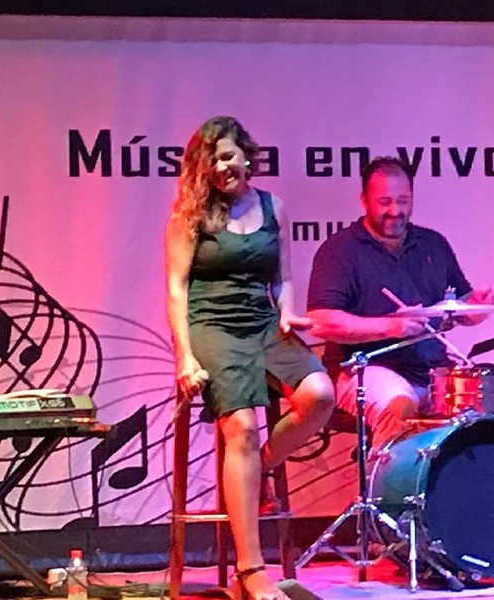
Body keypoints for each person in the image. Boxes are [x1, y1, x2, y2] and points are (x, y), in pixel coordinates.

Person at [165, 116, 335, 600]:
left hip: (262, 323)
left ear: (246, 155)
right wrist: (185, 358)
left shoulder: (272, 207)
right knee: (241, 428)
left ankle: (256, 471)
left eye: (228, 156)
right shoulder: (190, 216)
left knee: (320, 395)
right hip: (212, 325)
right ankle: (251, 569)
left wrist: (287, 312)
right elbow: (177, 289)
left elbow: (282, 277)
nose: (223, 167)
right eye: (212, 161)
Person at [306, 156, 494, 450]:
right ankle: (392, 480)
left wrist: (477, 305)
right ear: (364, 200)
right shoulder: (340, 250)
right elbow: (321, 321)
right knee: (400, 407)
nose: (395, 211)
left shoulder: (433, 244)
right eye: (384, 202)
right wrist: (389, 327)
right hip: (364, 368)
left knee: (485, 408)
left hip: (432, 369)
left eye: (403, 201)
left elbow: (460, 308)